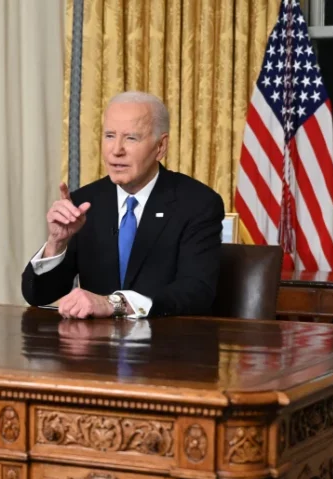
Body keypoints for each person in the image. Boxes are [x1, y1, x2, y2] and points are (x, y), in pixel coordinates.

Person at [21, 91, 224, 319]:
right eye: (109, 136)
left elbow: (196, 292)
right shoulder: (85, 203)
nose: (116, 150)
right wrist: (56, 243)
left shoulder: (197, 203)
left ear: (160, 147)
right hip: (95, 347)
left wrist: (115, 303)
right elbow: (37, 295)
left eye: (131, 138)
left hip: (164, 346)